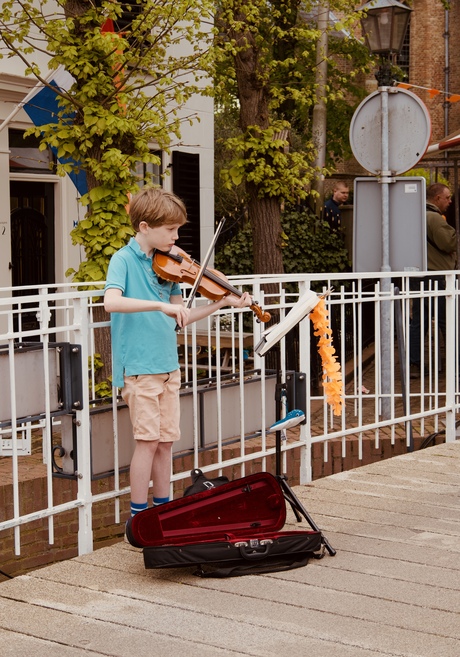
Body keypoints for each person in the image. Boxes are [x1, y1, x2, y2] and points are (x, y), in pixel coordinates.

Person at [104, 186, 252, 518]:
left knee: (166, 442)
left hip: (169, 367)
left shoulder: (169, 265)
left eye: (177, 229)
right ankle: (139, 516)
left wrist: (221, 303)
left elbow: (180, 318)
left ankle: (164, 510)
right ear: (145, 227)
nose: (176, 236)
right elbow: (110, 302)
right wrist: (159, 305)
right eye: (170, 229)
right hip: (140, 369)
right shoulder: (123, 260)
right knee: (147, 442)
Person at [409, 182, 457, 379]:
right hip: (436, 276)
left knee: (419, 321)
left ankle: (415, 363)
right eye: (447, 197)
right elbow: (448, 243)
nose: (450, 201)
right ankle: (454, 362)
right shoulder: (435, 219)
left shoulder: (415, 216)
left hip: (419, 275)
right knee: (447, 321)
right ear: (437, 198)